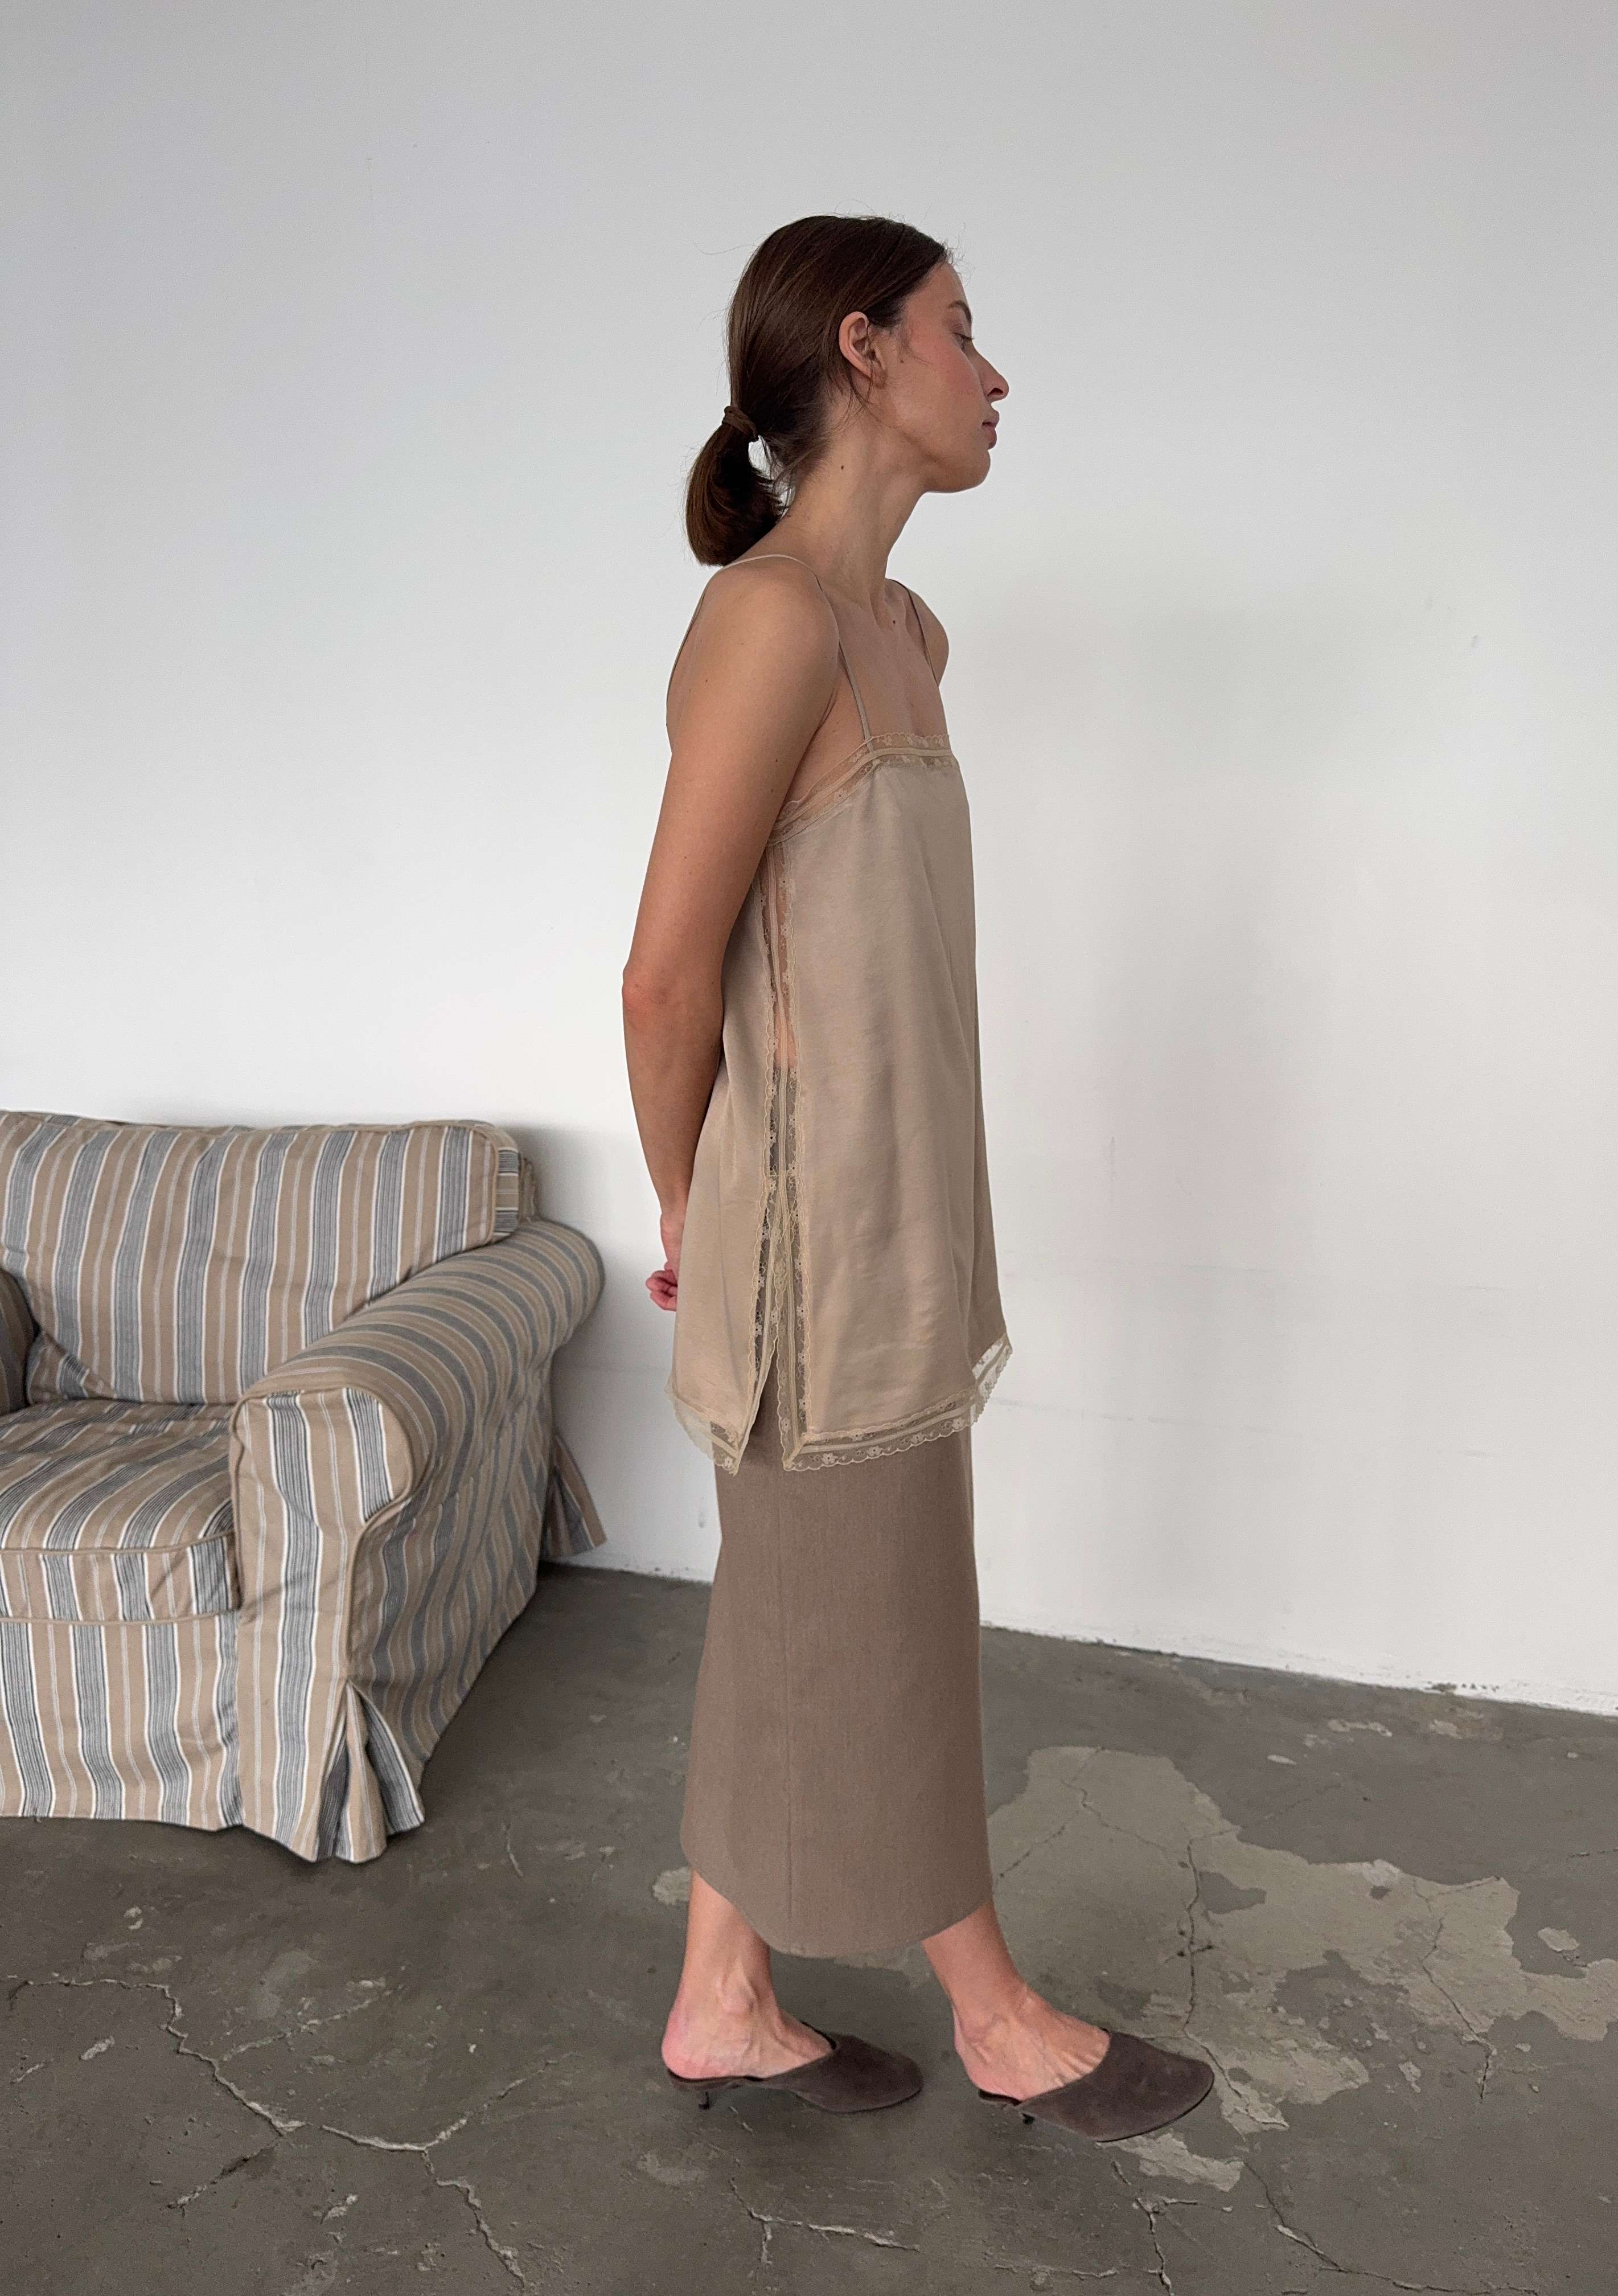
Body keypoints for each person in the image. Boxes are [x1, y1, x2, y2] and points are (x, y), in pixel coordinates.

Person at [621, 213, 1213, 2143]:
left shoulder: (904, 632)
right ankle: (997, 2014)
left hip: (899, 1225)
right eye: (965, 328)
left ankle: (723, 1996)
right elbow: (664, 975)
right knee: (868, 1630)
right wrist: (688, 1212)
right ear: (864, 351)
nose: (997, 371)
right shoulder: (773, 620)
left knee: (803, 1610)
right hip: (812, 1247)